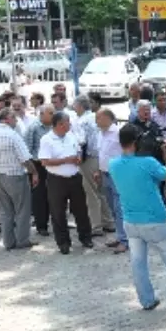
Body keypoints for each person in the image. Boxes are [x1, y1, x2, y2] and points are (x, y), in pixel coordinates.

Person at [108, 124, 166, 312]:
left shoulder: (113, 164)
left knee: (138, 262)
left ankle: (147, 300)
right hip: (154, 219)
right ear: (137, 141)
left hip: (130, 220)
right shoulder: (148, 163)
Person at [0, 107, 37, 250]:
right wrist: (34, 172)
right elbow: (25, 158)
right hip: (15, 176)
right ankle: (22, 240)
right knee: (22, 210)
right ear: (7, 119)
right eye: (14, 117)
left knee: (5, 211)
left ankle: (8, 241)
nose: (16, 120)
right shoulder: (13, 135)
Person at [39, 111, 94, 255]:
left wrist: (78, 158)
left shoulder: (71, 136)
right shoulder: (47, 139)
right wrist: (65, 160)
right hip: (56, 180)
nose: (70, 124)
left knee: (81, 210)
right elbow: (44, 161)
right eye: (68, 122)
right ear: (60, 124)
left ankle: (85, 237)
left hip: (74, 177)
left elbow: (78, 152)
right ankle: (63, 242)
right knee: (58, 212)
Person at [73, 96, 112, 236]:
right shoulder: (95, 117)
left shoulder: (82, 121)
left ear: (80, 106)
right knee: (100, 191)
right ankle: (108, 221)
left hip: (88, 158)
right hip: (101, 157)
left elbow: (81, 141)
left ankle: (96, 225)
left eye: (75, 105)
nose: (73, 107)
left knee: (91, 193)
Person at [95, 108, 128, 254]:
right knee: (112, 206)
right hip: (105, 174)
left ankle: (125, 240)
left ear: (108, 118)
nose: (96, 121)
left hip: (118, 175)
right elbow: (101, 153)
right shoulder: (100, 134)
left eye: (99, 118)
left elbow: (127, 153)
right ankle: (120, 236)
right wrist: (98, 170)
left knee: (119, 208)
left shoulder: (119, 133)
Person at [24, 104, 54, 237]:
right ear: (42, 114)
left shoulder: (54, 126)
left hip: (54, 164)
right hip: (38, 165)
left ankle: (54, 221)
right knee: (39, 196)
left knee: (53, 195)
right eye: (51, 113)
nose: (53, 115)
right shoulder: (33, 128)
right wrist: (32, 170)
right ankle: (41, 225)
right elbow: (27, 149)